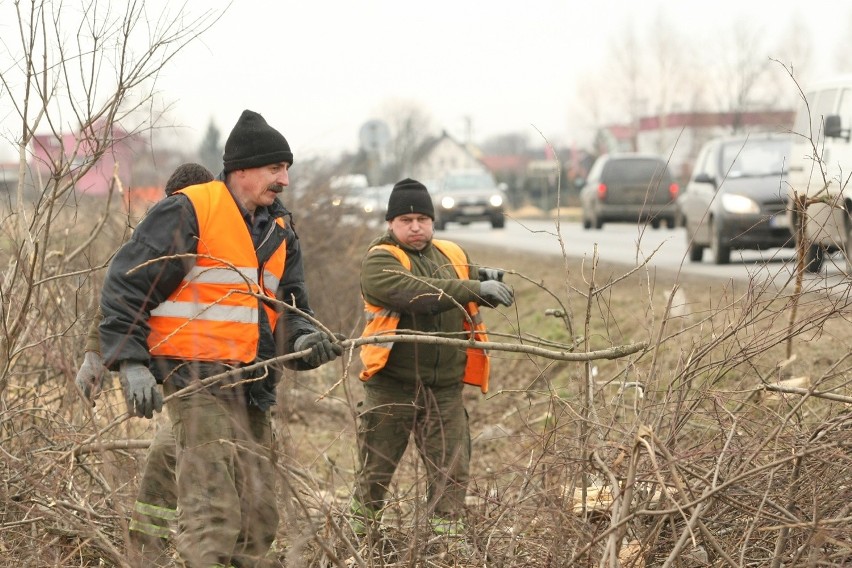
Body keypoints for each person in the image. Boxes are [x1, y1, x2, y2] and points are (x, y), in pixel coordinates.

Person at [98, 109, 343, 567]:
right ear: (242, 170)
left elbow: (292, 312)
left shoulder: (281, 230)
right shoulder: (189, 209)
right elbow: (126, 284)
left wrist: (308, 342)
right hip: (194, 379)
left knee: (259, 517)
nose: (284, 180)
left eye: (287, 169)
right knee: (213, 512)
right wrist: (129, 362)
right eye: (276, 168)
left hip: (252, 386)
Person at [349, 178, 514, 542]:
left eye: (422, 218)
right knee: (375, 471)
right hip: (393, 385)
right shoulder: (381, 259)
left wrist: (485, 281)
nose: (415, 226)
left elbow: (463, 284)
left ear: (433, 221)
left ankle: (447, 544)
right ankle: (357, 539)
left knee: (452, 471)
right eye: (406, 219)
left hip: (444, 389)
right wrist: (474, 286)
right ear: (391, 223)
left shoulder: (452, 254)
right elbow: (415, 293)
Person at [74, 162, 215, 565]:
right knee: (164, 462)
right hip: (181, 380)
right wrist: (96, 354)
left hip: (229, 382)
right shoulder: (158, 243)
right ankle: (146, 554)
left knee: (209, 474)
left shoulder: (233, 242)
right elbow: (120, 300)